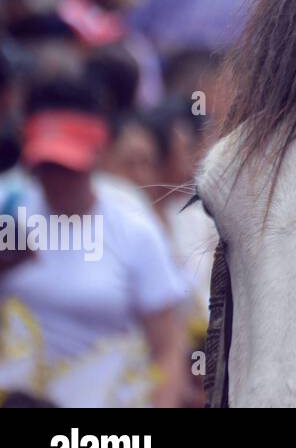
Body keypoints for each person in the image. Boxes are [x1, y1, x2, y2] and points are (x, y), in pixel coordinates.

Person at [0, 75, 191, 407]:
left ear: (95, 159)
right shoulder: (11, 212)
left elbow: (168, 347)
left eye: (67, 167)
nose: (55, 178)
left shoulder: (133, 227)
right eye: (46, 165)